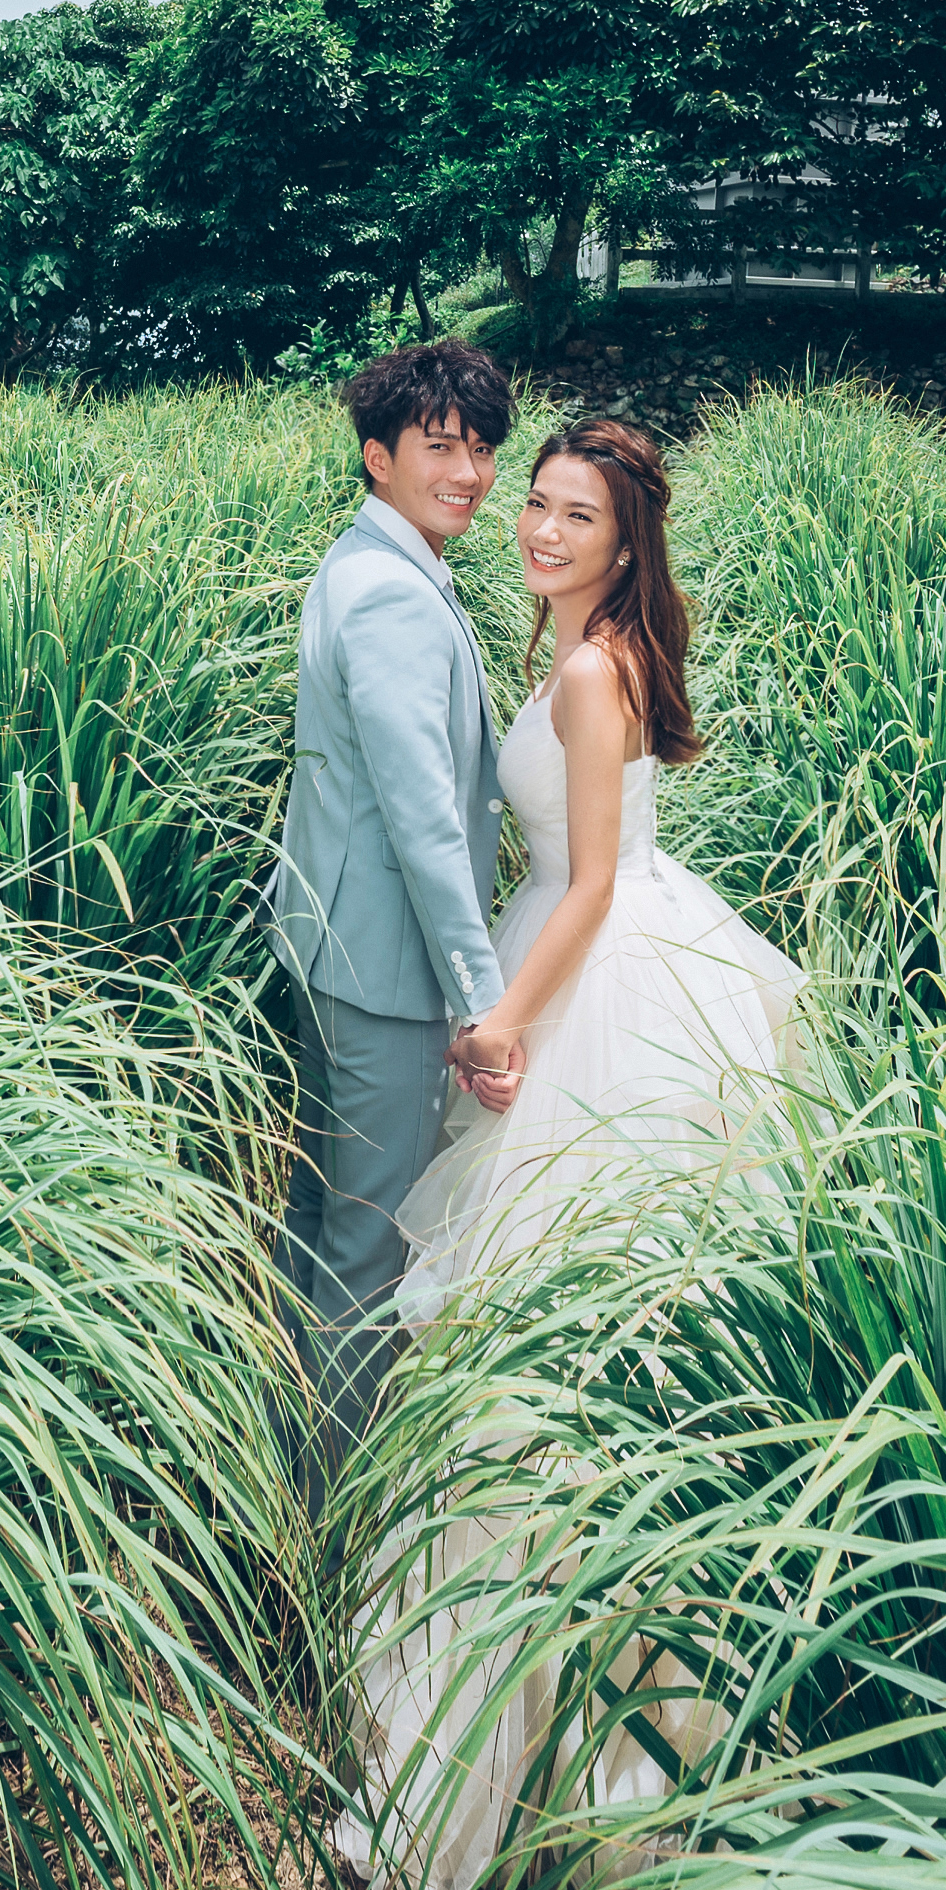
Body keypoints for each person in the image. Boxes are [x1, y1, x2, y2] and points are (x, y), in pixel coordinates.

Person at [339, 414, 813, 1890]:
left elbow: (595, 879)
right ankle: (530, 1742)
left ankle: (567, 1764)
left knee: (545, 1362)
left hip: (594, 985)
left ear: (624, 542)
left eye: (574, 514)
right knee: (521, 1360)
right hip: (572, 957)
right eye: (534, 504)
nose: (541, 526)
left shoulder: (597, 667)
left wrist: (501, 1025)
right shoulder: (568, 647)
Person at [264, 339, 517, 1492]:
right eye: (438, 447)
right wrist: (483, 1000)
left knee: (319, 1224)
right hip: (388, 979)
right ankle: (329, 1528)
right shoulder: (395, 599)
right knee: (371, 1249)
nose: (466, 471)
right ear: (379, 457)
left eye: (480, 448)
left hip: (328, 951)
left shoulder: (357, 566)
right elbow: (424, 820)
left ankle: (275, 1468)